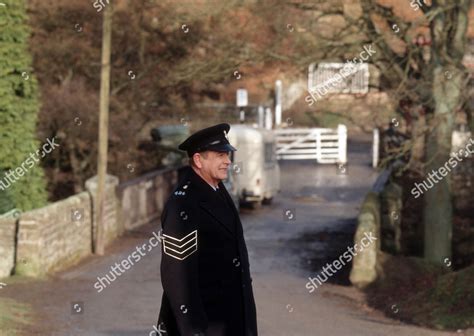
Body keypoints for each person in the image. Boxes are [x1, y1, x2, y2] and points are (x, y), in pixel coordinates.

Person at [156, 123, 258, 336]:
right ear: (198, 160)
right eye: (220, 155)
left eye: (228, 155)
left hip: (232, 319)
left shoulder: (217, 189)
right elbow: (177, 275)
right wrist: (193, 330)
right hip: (205, 324)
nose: (228, 161)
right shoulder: (182, 204)